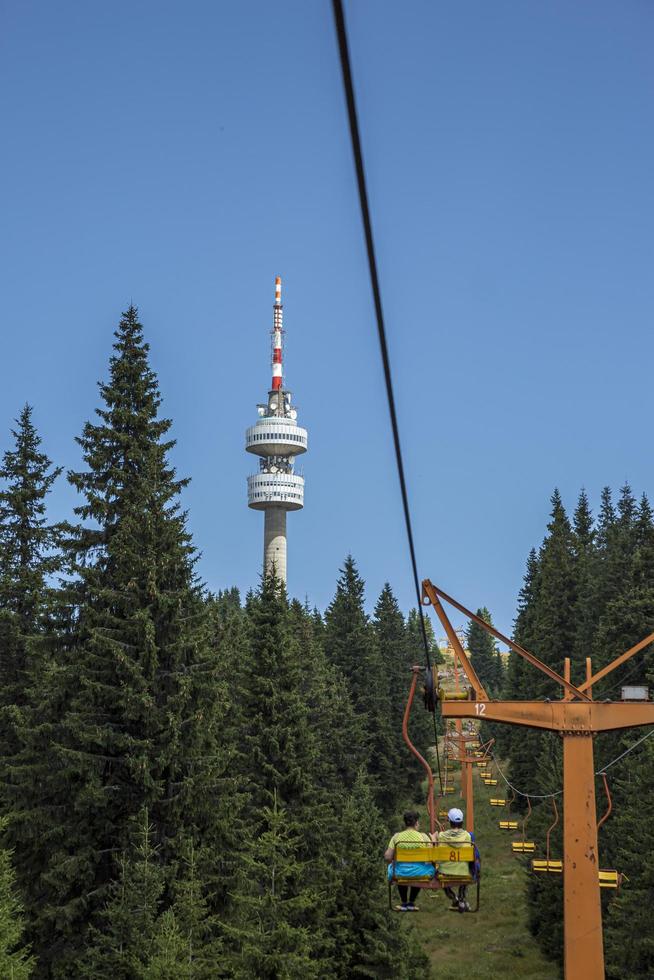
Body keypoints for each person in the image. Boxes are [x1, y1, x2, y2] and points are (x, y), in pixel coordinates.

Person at [384, 810, 434, 911]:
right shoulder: (423, 837)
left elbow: (388, 857)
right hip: (419, 872)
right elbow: (432, 855)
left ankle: (404, 902)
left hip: (400, 872)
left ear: (405, 823)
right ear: (416, 823)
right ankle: (411, 902)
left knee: (397, 869)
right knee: (419, 870)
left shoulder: (396, 837)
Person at [437, 807, 474, 913]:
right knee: (465, 872)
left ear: (449, 821)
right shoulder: (467, 836)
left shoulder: (442, 835)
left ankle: (454, 898)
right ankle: (462, 900)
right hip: (463, 872)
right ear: (462, 822)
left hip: (445, 873)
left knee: (440, 876)